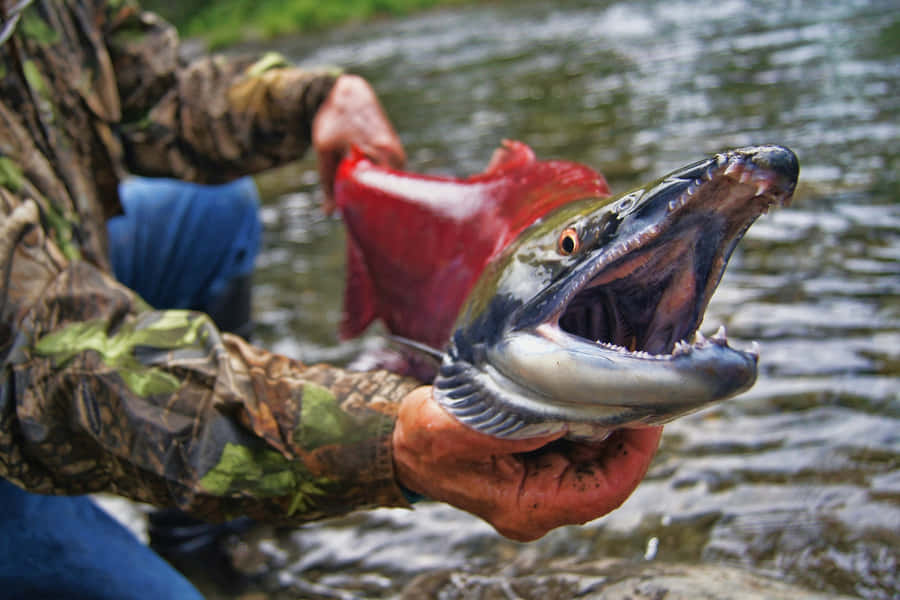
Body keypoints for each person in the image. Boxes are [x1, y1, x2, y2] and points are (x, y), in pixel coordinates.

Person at [0, 1, 663, 598]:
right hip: (21, 361)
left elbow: (153, 89)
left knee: (214, 214)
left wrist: (313, 100)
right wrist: (387, 440)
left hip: (52, 266)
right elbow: (40, 356)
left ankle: (199, 533)